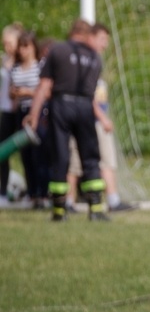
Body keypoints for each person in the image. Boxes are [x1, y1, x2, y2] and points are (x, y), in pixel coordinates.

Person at [23, 19, 109, 222]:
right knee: (90, 156)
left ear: (71, 32)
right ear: (87, 35)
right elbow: (93, 93)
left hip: (61, 105)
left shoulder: (58, 50)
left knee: (60, 157)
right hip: (85, 107)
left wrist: (33, 114)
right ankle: (96, 209)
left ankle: (59, 212)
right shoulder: (95, 58)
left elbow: (44, 86)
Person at [65, 23, 137, 213]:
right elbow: (85, 96)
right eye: (102, 39)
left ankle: (112, 200)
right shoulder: (82, 61)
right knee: (75, 164)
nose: (105, 45)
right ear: (90, 37)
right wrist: (102, 117)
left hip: (95, 120)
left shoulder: (94, 59)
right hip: (86, 120)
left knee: (107, 160)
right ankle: (68, 202)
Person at [9, 31, 49, 208]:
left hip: (38, 112)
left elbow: (45, 92)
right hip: (21, 111)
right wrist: (14, 94)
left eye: (26, 46)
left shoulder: (41, 66)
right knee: (25, 154)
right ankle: (32, 193)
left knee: (39, 153)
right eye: (21, 46)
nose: (23, 50)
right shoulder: (15, 68)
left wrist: (28, 92)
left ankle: (43, 193)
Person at [1, 23, 24, 205]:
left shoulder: (20, 65)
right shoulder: (4, 61)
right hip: (5, 113)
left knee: (27, 154)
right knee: (3, 153)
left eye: (9, 43)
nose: (6, 47)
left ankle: (35, 193)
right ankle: (2, 193)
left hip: (18, 113)